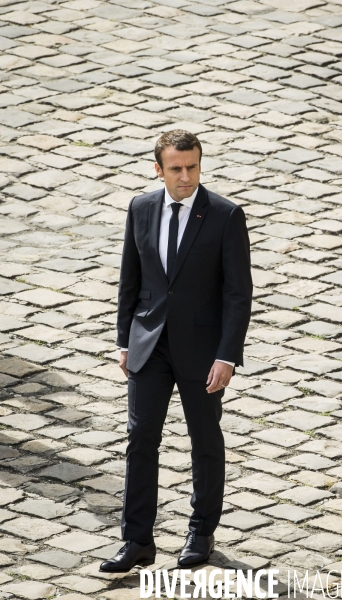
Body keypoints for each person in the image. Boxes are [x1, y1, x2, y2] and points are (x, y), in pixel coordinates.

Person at [100, 129, 252, 573]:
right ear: (158, 169)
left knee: (205, 441)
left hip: (203, 352)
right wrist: (125, 340)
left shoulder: (225, 215)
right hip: (149, 346)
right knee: (140, 439)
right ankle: (136, 541)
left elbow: (238, 294)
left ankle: (200, 533)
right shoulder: (141, 207)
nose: (186, 176)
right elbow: (131, 277)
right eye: (176, 168)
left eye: (193, 167)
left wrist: (227, 356)